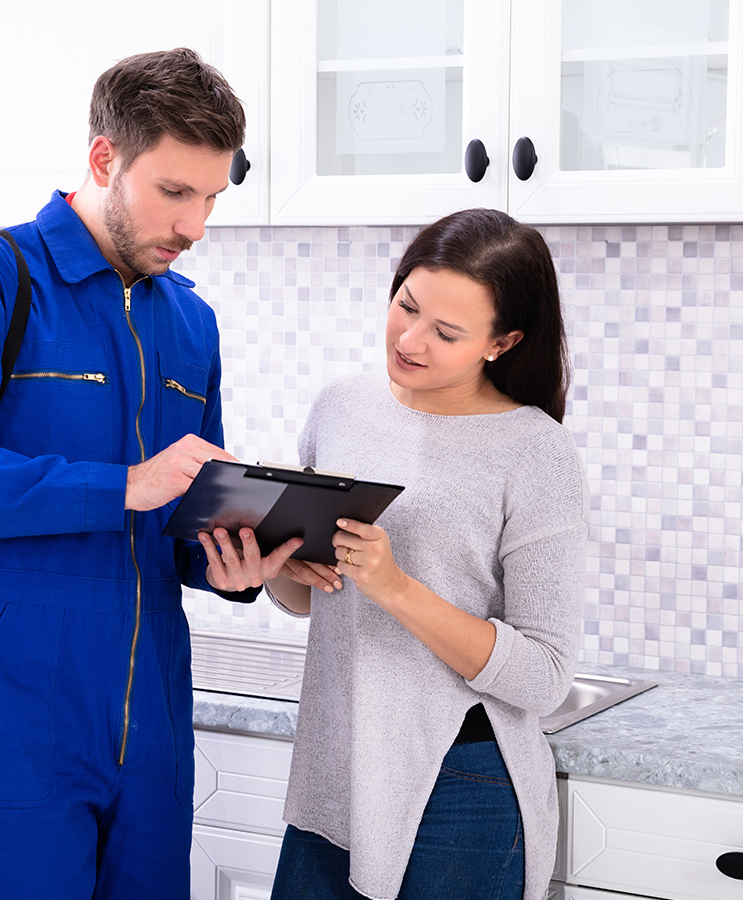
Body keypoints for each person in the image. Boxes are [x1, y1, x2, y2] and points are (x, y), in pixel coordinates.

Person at [0, 48, 300, 900]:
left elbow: (182, 522)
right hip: (10, 719)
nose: (194, 227)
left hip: (151, 726)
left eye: (213, 196)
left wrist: (236, 563)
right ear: (104, 159)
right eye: (175, 192)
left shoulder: (191, 321)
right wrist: (123, 484)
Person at [262, 208, 589, 900]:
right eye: (405, 305)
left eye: (445, 332)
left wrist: (396, 587)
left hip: (460, 782)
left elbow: (544, 676)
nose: (410, 339)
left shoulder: (535, 451)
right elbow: (307, 599)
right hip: (336, 762)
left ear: (502, 343)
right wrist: (282, 569)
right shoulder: (340, 408)